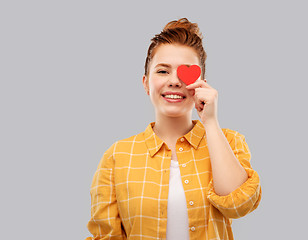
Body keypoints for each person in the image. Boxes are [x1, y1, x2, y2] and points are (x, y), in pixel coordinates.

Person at [85, 17, 262, 240]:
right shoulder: (117, 156)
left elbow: (239, 205)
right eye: (162, 71)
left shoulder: (229, 141)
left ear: (202, 83)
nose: (175, 81)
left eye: (186, 72)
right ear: (145, 82)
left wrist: (211, 122)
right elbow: (105, 237)